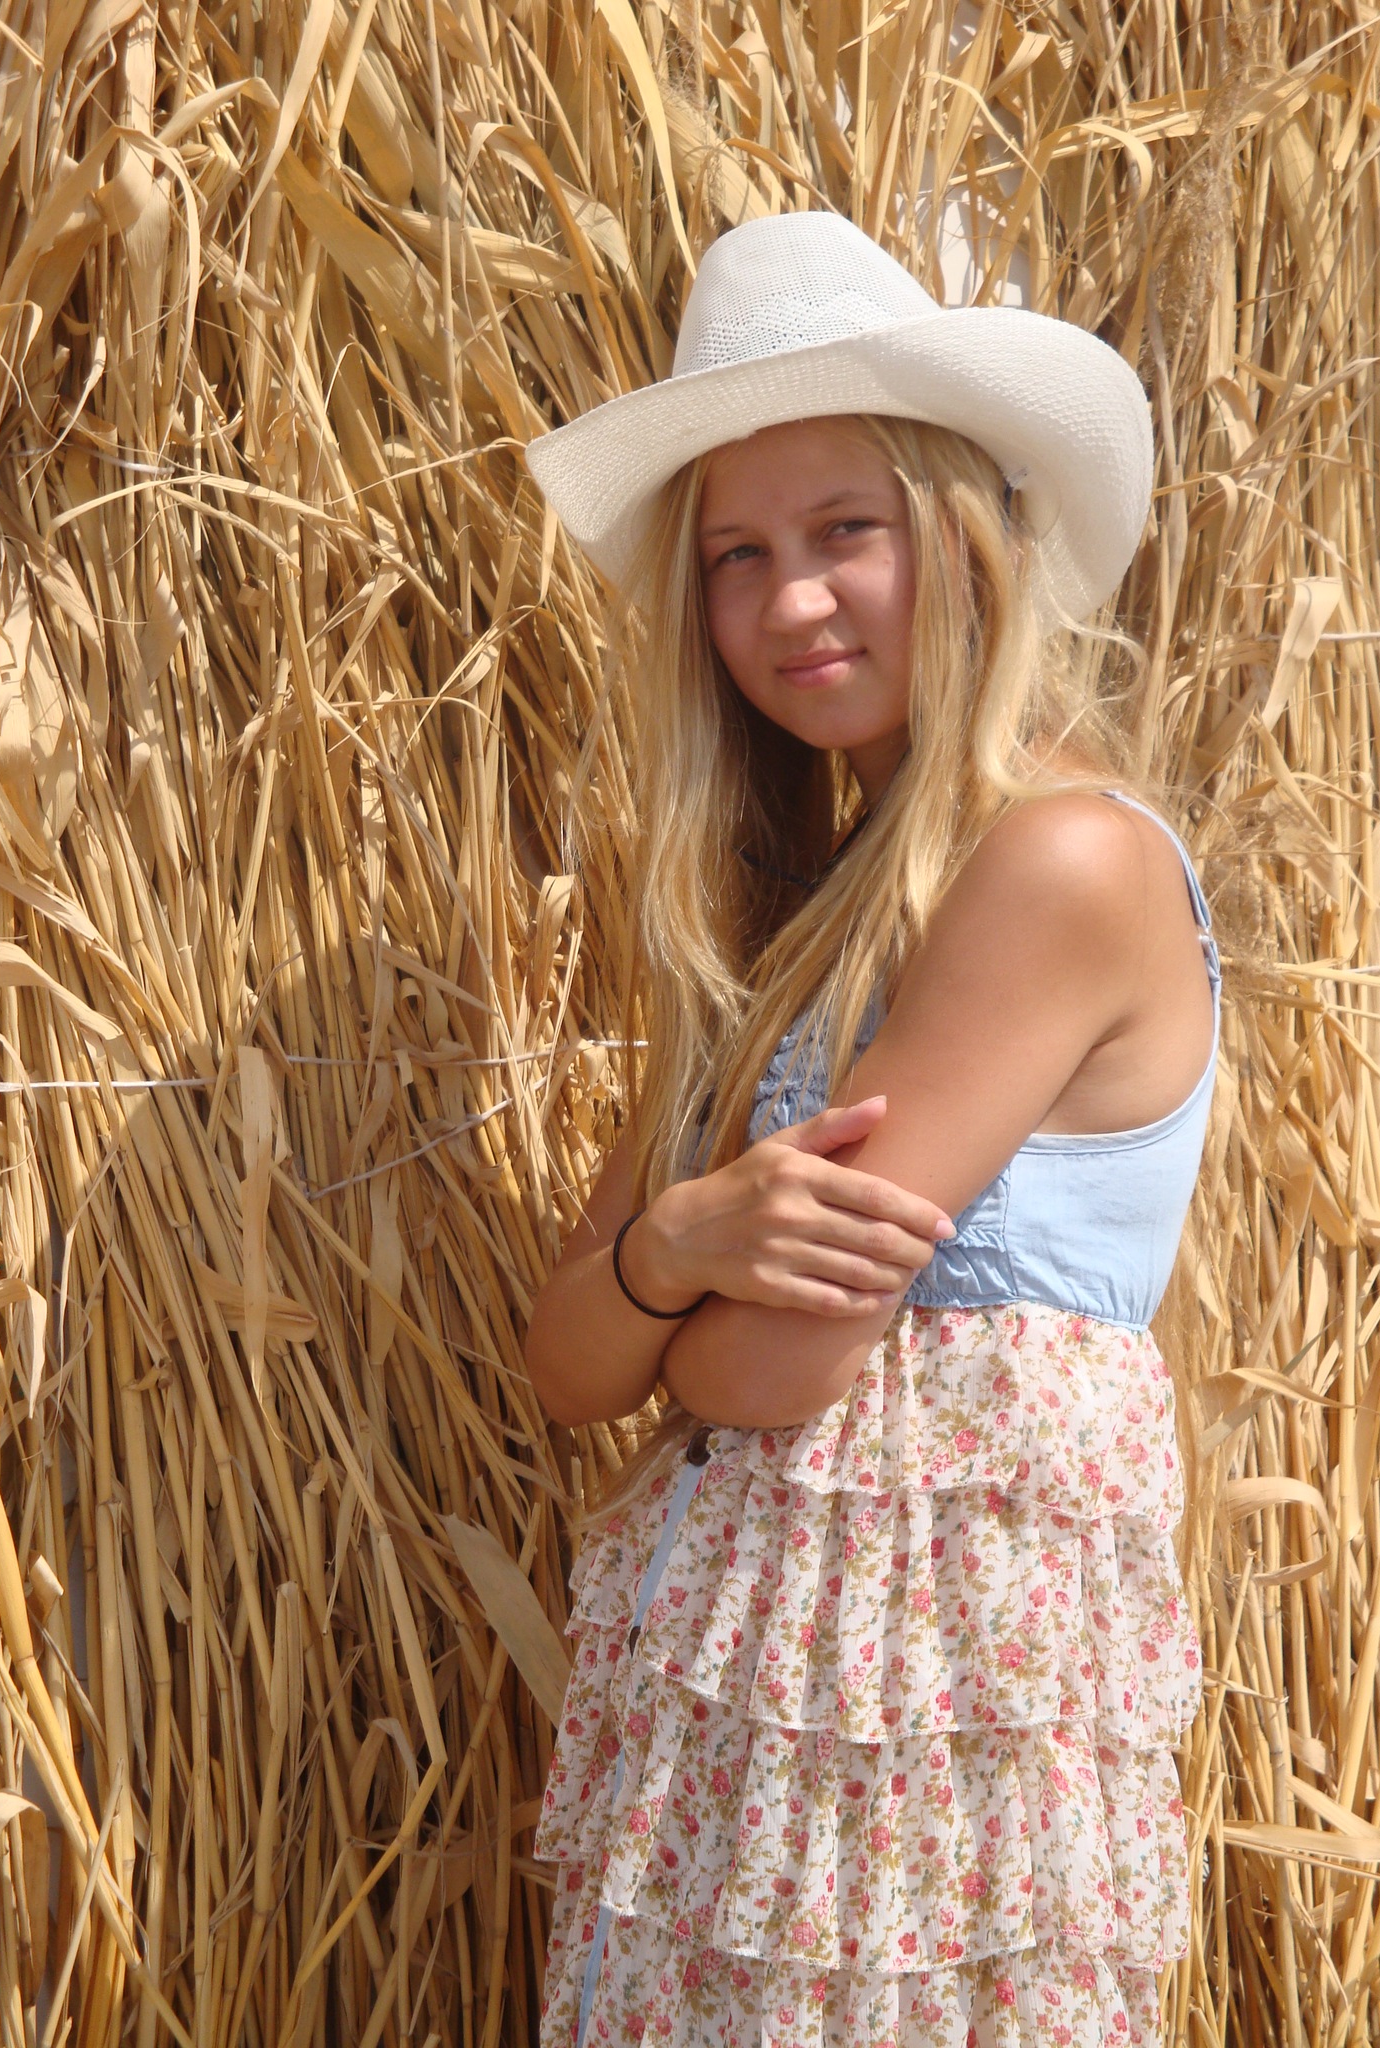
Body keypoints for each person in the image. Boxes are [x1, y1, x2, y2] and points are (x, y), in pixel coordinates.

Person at [520, 211, 1217, 2048]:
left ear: (963, 529)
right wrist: (681, 1248)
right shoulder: (776, 925)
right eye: (736, 557)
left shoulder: (1061, 862)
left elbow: (780, 1368)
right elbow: (569, 1365)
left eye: (846, 531)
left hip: (928, 1742)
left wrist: (682, 1309)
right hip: (745, 1748)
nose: (792, 604)